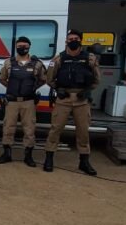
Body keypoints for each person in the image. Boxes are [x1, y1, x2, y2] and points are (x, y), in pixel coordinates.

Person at [43, 29, 101, 175]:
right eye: (70, 39)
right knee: (55, 129)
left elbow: (96, 80)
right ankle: (49, 158)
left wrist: (87, 90)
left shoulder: (90, 58)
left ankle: (84, 162)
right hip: (64, 99)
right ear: (66, 41)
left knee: (83, 131)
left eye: (76, 38)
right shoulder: (58, 59)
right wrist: (58, 88)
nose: (73, 40)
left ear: (80, 40)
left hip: (82, 101)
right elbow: (49, 79)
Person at [0, 36, 46, 167]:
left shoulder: (37, 64)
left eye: (24, 46)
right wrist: (12, 89)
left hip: (28, 102)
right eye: (19, 46)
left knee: (29, 129)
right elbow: (2, 79)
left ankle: (28, 156)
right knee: (8, 127)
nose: (22, 48)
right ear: (16, 47)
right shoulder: (8, 63)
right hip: (12, 101)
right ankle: (6, 154)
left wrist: (31, 89)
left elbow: (43, 79)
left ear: (29, 47)